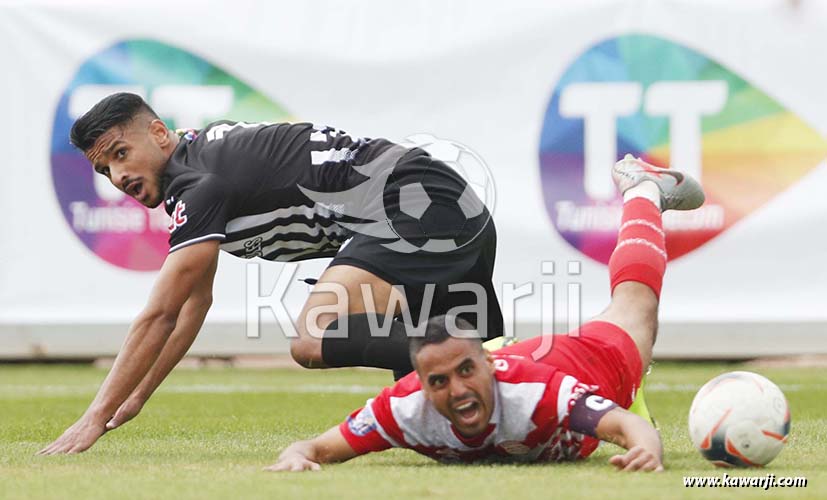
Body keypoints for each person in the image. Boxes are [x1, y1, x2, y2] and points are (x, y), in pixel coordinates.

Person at [38, 93, 503, 455]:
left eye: (121, 153)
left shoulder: (197, 185)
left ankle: (481, 352)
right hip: (445, 203)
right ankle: (497, 358)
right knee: (445, 418)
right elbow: (192, 307)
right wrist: (135, 396)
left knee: (315, 336)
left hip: (415, 207)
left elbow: (160, 313)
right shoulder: (198, 161)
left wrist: (94, 417)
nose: (117, 176)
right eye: (104, 169)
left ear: (159, 133)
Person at [265, 154, 705, 472]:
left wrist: (647, 450)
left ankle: (643, 188)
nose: (456, 390)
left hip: (589, 363)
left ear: (488, 362)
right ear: (420, 384)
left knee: (636, 304)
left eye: (465, 371)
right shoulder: (403, 410)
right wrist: (296, 457)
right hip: (535, 368)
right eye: (438, 381)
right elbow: (314, 449)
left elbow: (628, 429)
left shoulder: (534, 394)